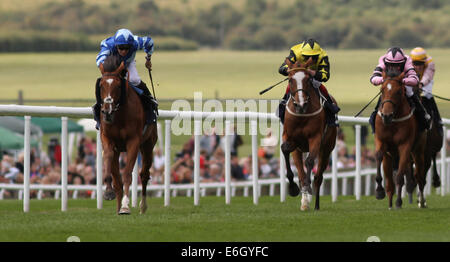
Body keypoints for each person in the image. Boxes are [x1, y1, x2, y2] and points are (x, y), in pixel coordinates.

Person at [93, 28, 156, 129]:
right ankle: (97, 110)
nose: (124, 51)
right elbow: (99, 59)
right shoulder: (108, 45)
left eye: (127, 48)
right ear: (116, 45)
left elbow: (150, 42)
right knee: (104, 83)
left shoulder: (137, 42)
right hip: (112, 66)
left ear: (131, 45)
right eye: (121, 48)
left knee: (135, 80)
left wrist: (148, 59)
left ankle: (149, 100)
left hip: (128, 62)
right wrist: (111, 71)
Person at [277, 38, 340, 126]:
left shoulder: (323, 56)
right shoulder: (295, 52)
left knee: (319, 86)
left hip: (313, 77)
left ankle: (331, 107)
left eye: (314, 57)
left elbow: (325, 76)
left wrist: (312, 73)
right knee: (292, 86)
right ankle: (283, 104)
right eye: (306, 56)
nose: (310, 59)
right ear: (302, 53)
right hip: (299, 77)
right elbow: (281, 68)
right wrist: (289, 70)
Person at [369, 47, 431, 133]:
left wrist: (403, 80)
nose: (394, 67)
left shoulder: (407, 61)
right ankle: (374, 117)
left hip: (403, 82)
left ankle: (423, 115)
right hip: (389, 83)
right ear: (386, 62)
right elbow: (372, 78)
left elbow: (415, 79)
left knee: (409, 93)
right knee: (386, 94)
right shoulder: (382, 60)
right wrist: (383, 80)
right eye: (391, 65)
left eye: (397, 65)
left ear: (402, 62)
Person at [410, 47, 443, 131]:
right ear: (412, 61)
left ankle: (437, 119)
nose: (418, 66)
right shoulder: (408, 62)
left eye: (421, 63)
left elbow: (427, 76)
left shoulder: (430, 62)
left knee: (427, 94)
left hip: (426, 81)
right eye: (416, 63)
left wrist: (421, 84)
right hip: (413, 80)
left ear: (425, 61)